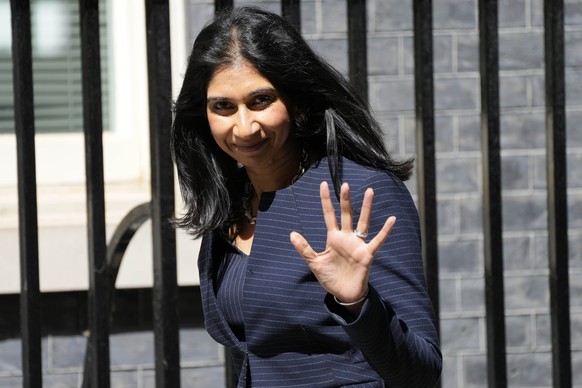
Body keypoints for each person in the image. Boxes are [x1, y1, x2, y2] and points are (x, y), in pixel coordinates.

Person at [171, 6, 442, 387]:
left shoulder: (360, 194)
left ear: (296, 102)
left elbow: (421, 372)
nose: (244, 126)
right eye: (224, 107)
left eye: (260, 100)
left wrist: (358, 303)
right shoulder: (231, 205)